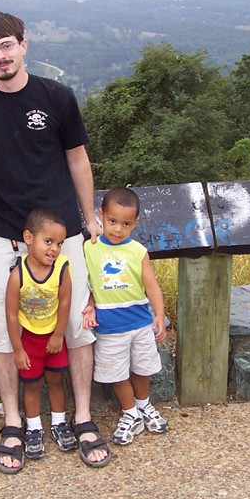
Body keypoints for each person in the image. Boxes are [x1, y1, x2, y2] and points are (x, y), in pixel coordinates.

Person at [0, 11, 111, 472]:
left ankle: (81, 416)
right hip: (4, 235)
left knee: (76, 326)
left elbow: (78, 159)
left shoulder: (56, 97)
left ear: (24, 45)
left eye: (6, 45)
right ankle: (14, 421)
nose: (0, 56)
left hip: (63, 234)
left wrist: (90, 219)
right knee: (6, 332)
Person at [82, 187, 169, 445]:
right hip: (109, 327)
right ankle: (130, 413)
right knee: (115, 374)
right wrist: (90, 306)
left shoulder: (138, 251)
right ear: (101, 215)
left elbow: (151, 285)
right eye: (112, 221)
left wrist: (159, 314)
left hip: (140, 322)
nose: (118, 229)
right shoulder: (89, 248)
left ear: (135, 223)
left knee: (143, 367)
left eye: (126, 224)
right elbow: (87, 284)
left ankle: (144, 404)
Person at [5, 209, 72, 463]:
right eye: (49, 241)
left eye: (60, 243)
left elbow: (65, 302)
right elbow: (11, 314)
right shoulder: (18, 274)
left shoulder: (61, 268)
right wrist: (17, 349)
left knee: (56, 380)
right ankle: (34, 427)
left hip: (54, 337)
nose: (55, 249)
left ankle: (59, 422)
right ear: (29, 238)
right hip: (30, 340)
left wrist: (59, 334)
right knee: (32, 384)